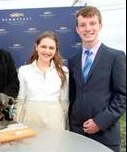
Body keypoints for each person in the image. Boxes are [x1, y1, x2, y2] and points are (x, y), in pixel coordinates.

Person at [68, 6, 126, 152]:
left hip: (105, 135)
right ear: (77, 29)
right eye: (82, 25)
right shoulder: (73, 60)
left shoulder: (116, 57)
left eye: (92, 23)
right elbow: (73, 96)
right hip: (78, 134)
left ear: (100, 26)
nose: (88, 29)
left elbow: (122, 96)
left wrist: (100, 122)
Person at [16, 31, 69, 130]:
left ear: (56, 50)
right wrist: (18, 126)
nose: (47, 51)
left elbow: (64, 102)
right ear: (36, 47)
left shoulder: (64, 71)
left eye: (51, 48)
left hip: (55, 121)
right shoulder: (24, 70)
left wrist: (65, 126)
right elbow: (20, 101)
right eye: (43, 47)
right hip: (30, 121)